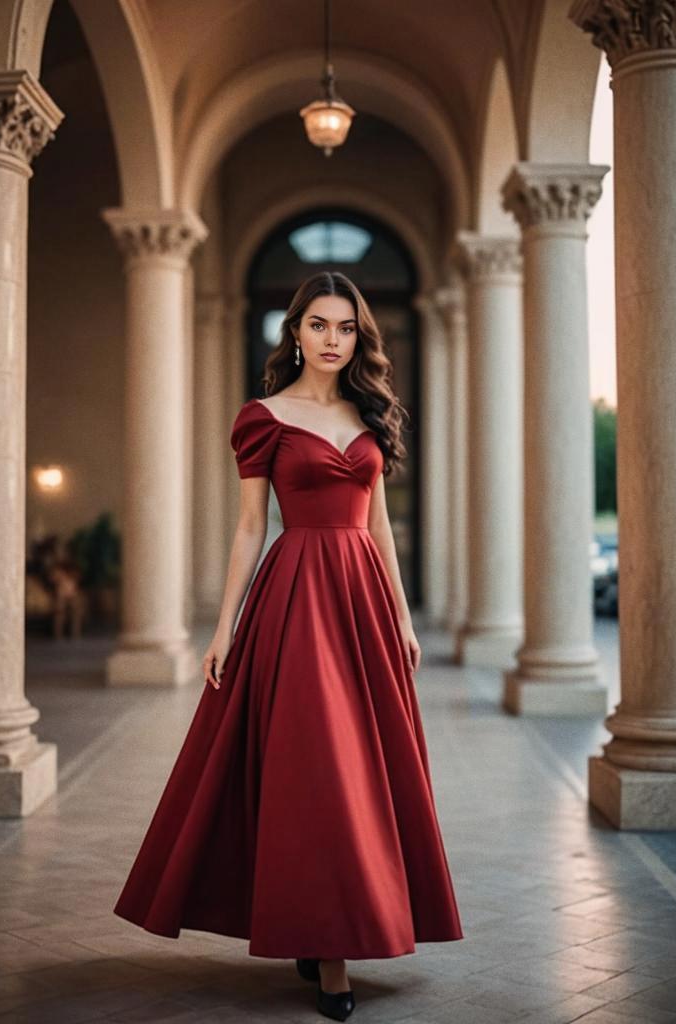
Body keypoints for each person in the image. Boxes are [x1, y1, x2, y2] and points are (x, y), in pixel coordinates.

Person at [113, 271, 464, 1020]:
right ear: (295, 331)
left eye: (345, 328)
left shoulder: (371, 413)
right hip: (297, 597)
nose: (332, 340)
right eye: (319, 326)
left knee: (364, 767)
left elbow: (377, 528)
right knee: (318, 768)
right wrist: (223, 625)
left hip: (362, 602)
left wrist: (401, 618)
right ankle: (330, 955)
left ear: (356, 336)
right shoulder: (263, 417)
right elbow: (249, 526)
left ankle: (322, 928)